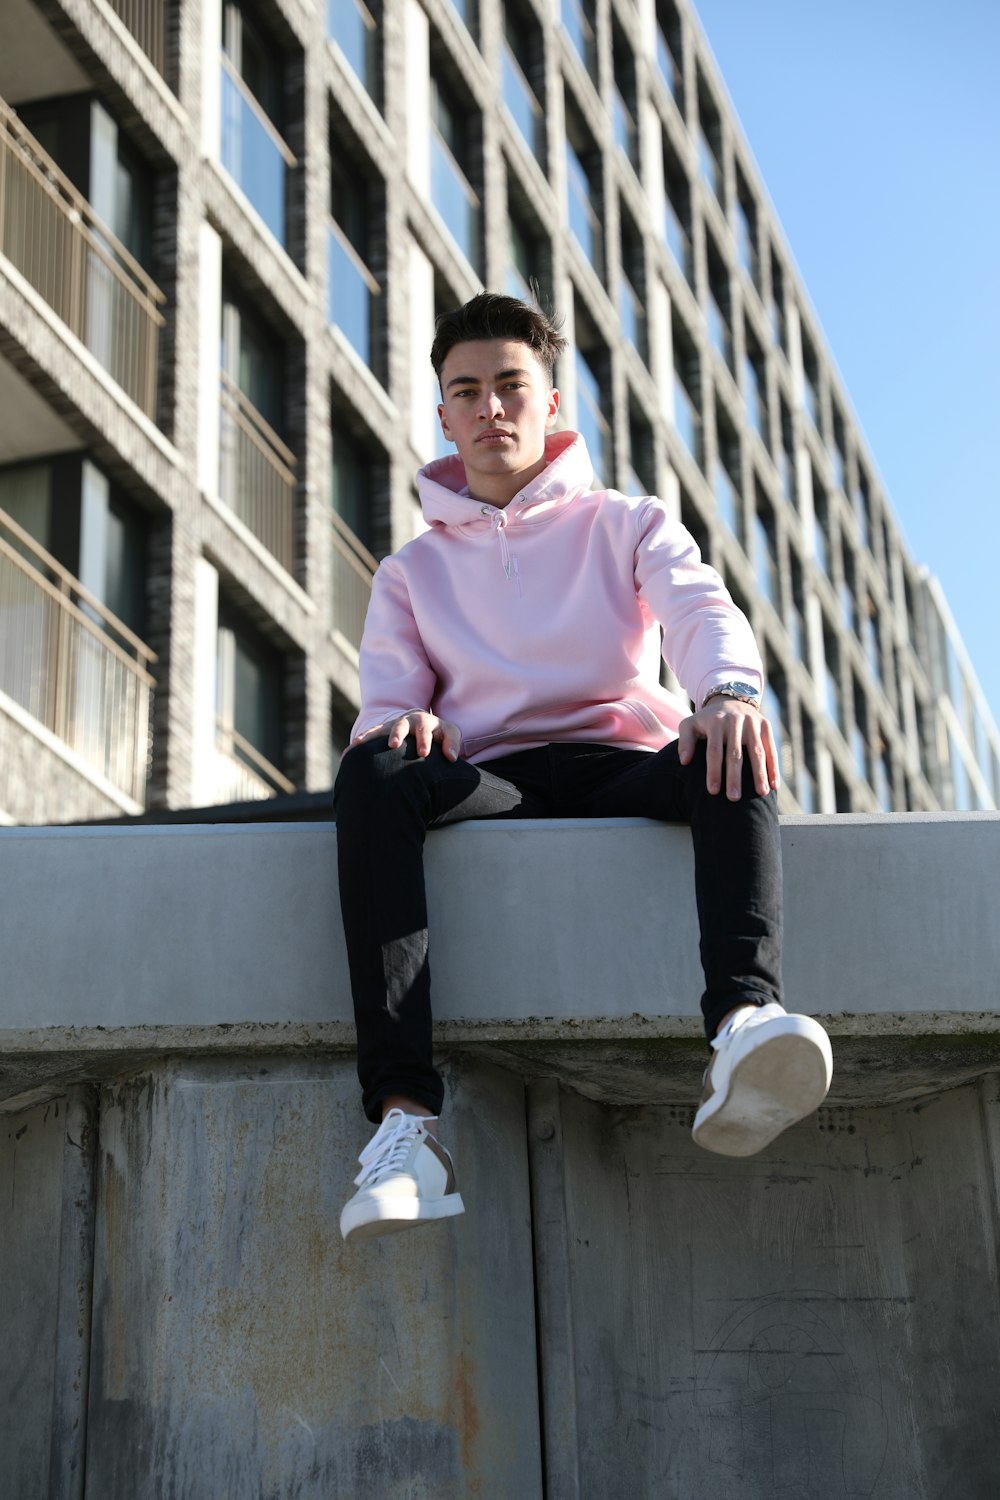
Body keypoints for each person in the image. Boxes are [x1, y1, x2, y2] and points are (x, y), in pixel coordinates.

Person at [335, 292, 832, 1243]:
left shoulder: (626, 521)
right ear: (443, 414)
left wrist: (726, 689)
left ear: (551, 401)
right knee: (373, 772)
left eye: (511, 386)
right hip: (495, 778)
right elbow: (390, 698)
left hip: (622, 761)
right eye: (466, 391)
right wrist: (405, 729)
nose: (490, 409)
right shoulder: (410, 572)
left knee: (733, 736)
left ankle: (742, 1024)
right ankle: (408, 1125)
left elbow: (698, 608)